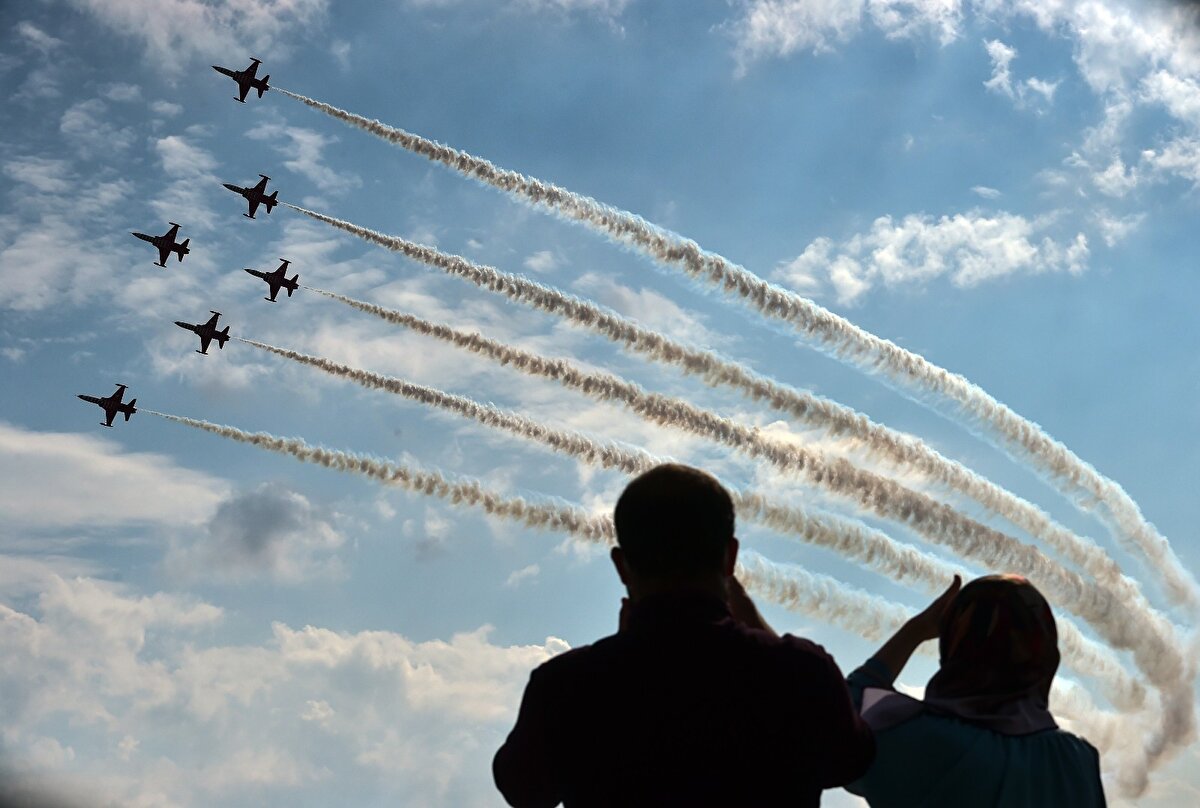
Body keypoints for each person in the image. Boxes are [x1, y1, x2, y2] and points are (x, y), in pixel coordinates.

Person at [493, 463, 875, 807]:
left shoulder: (565, 687)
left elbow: (523, 791)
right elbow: (852, 760)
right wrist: (755, 625)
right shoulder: (801, 673)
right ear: (730, 558)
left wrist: (618, 657)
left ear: (622, 566)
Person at [845, 573, 1107, 807]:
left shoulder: (919, 740)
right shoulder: (1078, 762)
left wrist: (916, 631)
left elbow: (836, 721)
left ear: (955, 648)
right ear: (1045, 657)